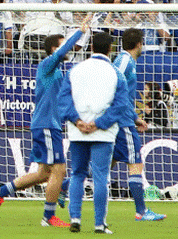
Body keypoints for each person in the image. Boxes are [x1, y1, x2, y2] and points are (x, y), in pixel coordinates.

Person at [0, 16, 91, 227]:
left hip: (48, 124)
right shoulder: (47, 65)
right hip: (46, 125)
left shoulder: (57, 72)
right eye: (63, 44)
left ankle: (2, 191)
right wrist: (79, 32)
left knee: (44, 173)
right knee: (59, 170)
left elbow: (61, 101)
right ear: (54, 48)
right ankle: (48, 216)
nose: (67, 49)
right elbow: (63, 52)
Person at [58, 31, 131, 234]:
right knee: (100, 177)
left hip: (78, 131)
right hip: (103, 132)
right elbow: (121, 105)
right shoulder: (116, 73)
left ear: (90, 47)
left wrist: (78, 121)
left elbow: (63, 99)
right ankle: (99, 223)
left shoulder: (75, 70)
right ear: (110, 49)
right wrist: (99, 123)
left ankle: (75, 218)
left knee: (77, 174)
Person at [112, 28, 167, 221]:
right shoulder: (124, 60)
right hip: (122, 122)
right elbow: (113, 84)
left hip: (123, 118)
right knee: (135, 162)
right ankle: (141, 211)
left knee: (107, 163)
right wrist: (129, 117)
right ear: (139, 44)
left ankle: (65, 185)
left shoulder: (127, 61)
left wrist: (135, 117)